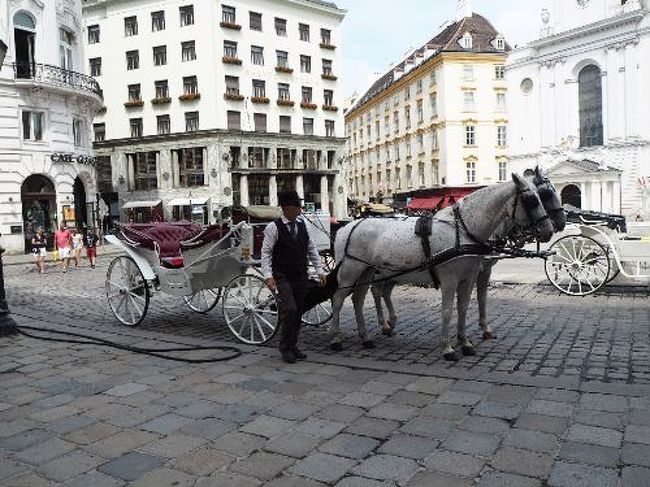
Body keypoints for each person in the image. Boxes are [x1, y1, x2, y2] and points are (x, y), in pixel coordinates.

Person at [261, 190, 326, 364]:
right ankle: (285, 347)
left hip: (300, 274)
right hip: (282, 275)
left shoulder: (302, 224)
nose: (300, 209)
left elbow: (311, 249)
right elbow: (266, 253)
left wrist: (319, 270)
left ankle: (293, 344)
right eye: (298, 206)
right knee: (289, 308)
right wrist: (268, 276)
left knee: (298, 310)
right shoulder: (273, 228)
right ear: (287, 208)